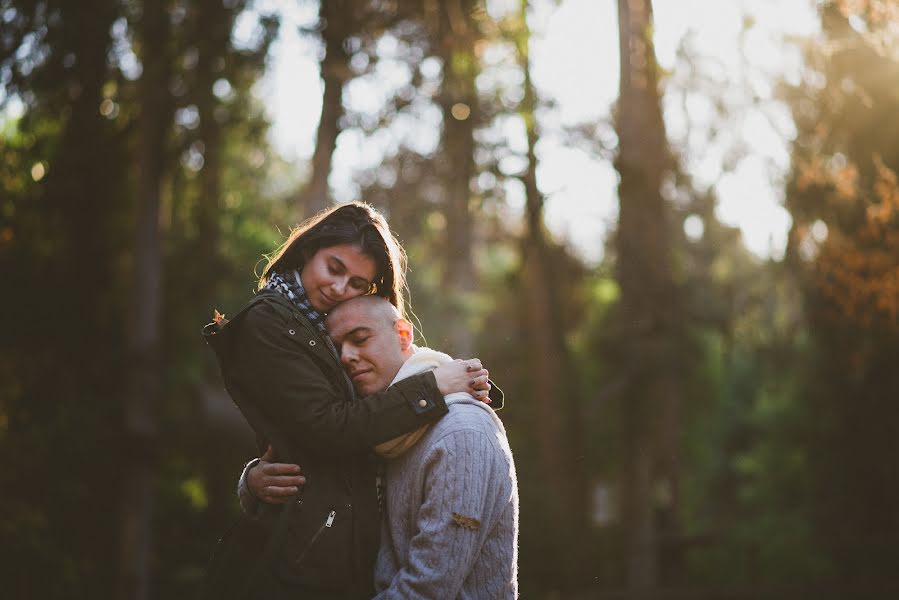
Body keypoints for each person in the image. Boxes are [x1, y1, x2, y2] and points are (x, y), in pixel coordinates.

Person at [203, 202, 491, 600]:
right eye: (334, 268)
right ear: (308, 251)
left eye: (358, 283)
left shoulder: (324, 326)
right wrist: (435, 387)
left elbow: (387, 379)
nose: (340, 289)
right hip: (299, 557)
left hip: (337, 550)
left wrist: (455, 382)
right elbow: (328, 426)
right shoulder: (270, 322)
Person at [243, 295, 519, 599]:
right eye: (337, 350)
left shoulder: (460, 432)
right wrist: (253, 481)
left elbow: (429, 588)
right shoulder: (379, 432)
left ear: (403, 334)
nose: (346, 357)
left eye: (360, 339)